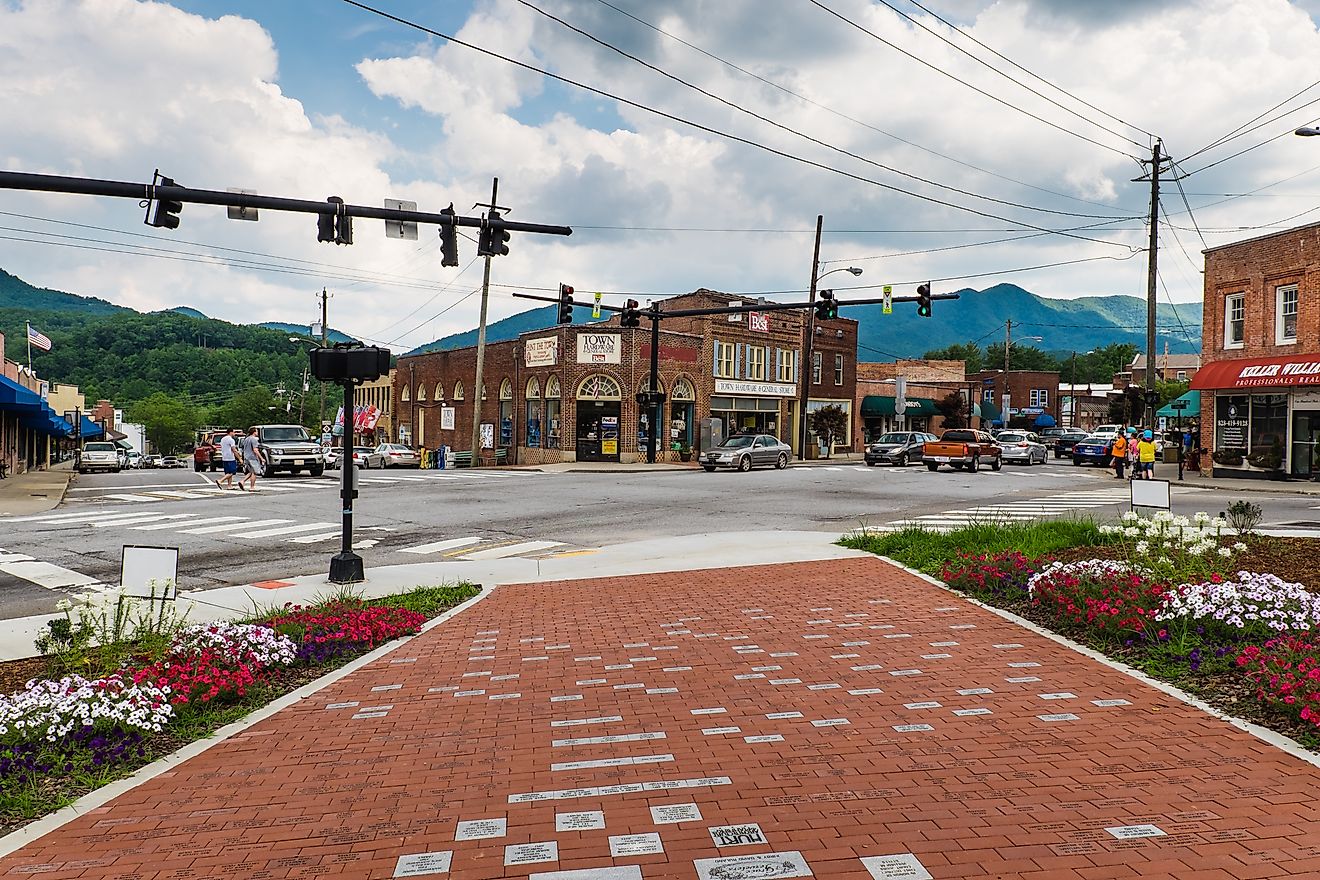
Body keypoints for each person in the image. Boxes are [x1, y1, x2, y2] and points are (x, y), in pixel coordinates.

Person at [239, 426, 265, 491]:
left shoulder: (246, 439)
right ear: (254, 432)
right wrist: (261, 458)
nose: (257, 432)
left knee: (251, 471)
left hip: (246, 457)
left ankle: (242, 481)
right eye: (256, 431)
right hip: (252, 458)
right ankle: (252, 487)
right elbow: (255, 450)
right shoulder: (254, 439)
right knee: (254, 473)